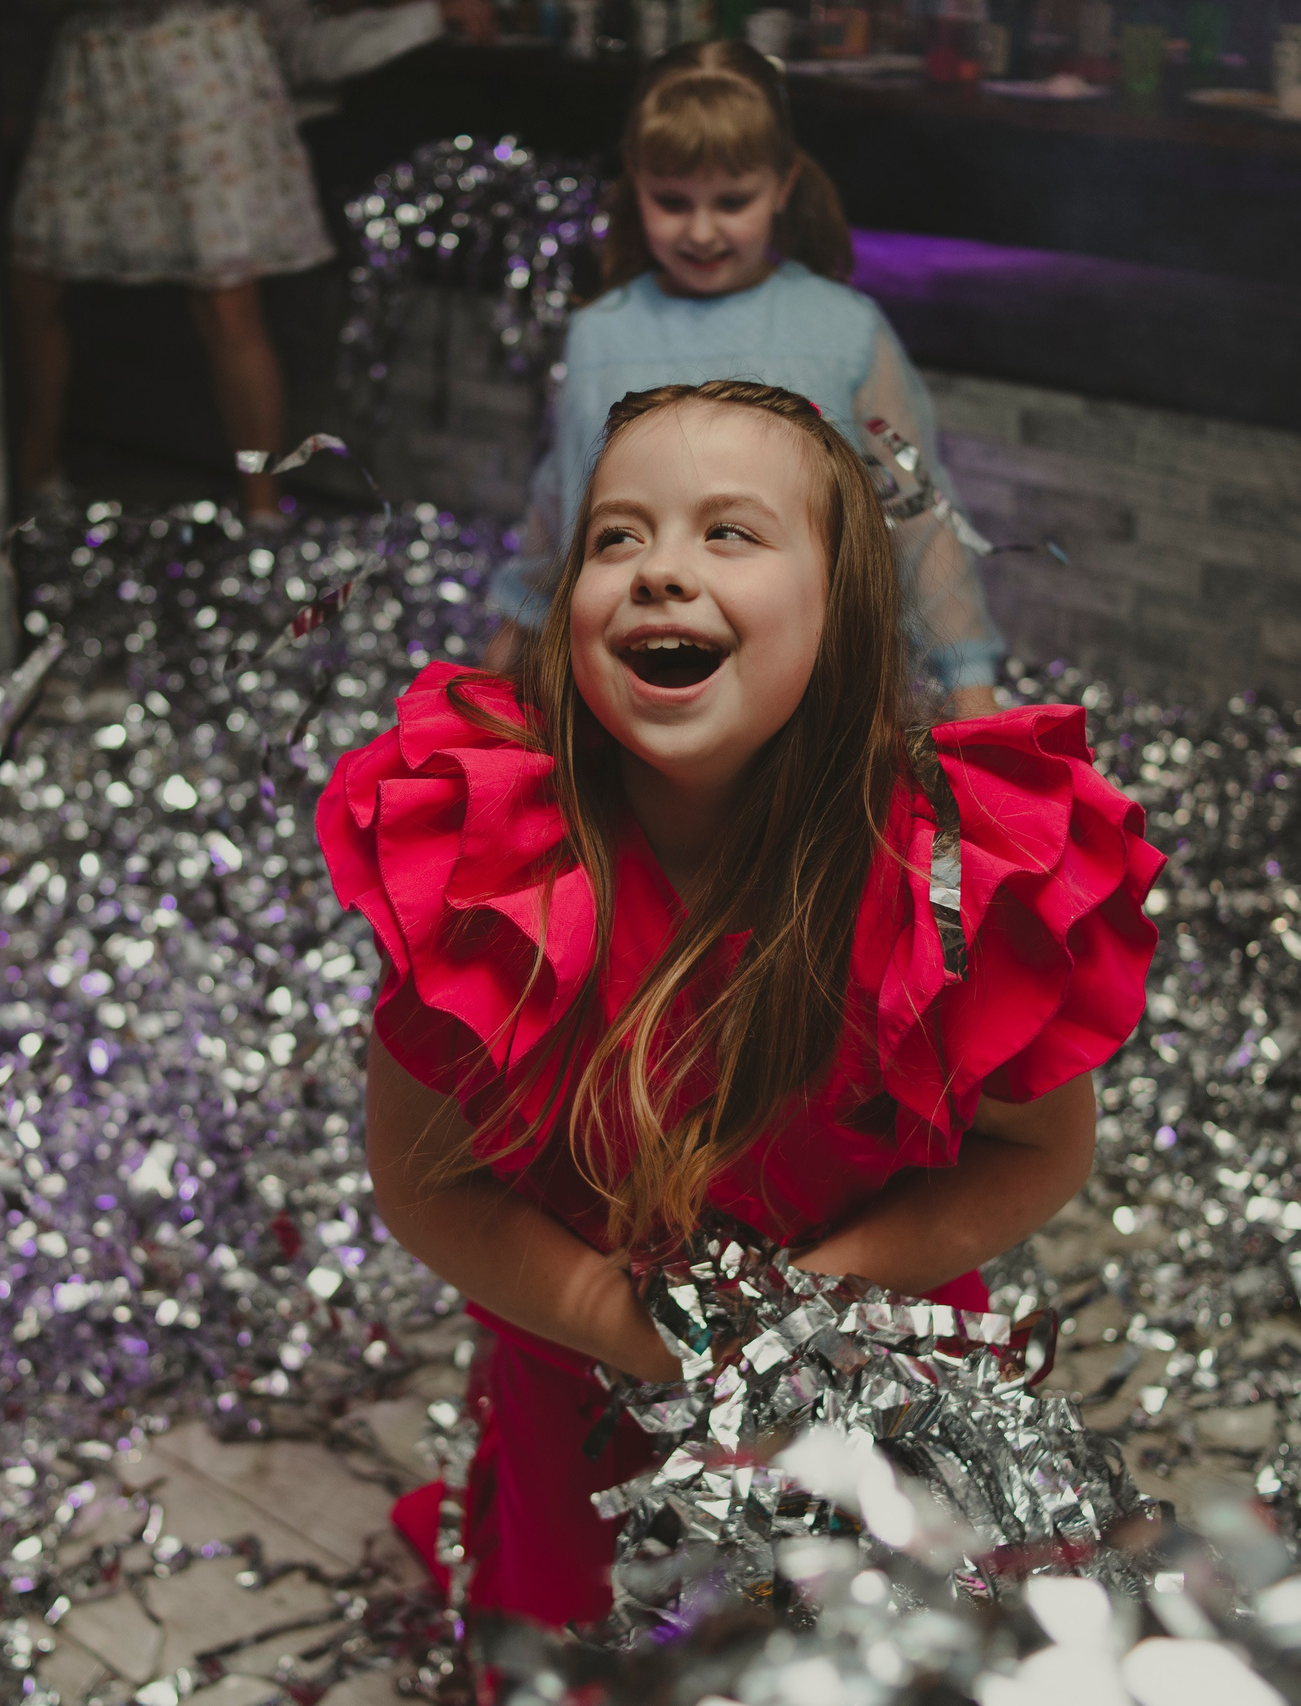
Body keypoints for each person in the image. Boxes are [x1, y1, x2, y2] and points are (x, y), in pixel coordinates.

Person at [319, 381, 1162, 1626]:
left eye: (729, 532)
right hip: (593, 1405)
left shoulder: (952, 872)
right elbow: (422, 1180)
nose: (660, 570)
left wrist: (802, 1323)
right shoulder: (488, 853)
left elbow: (1042, 1150)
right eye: (618, 535)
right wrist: (640, 1334)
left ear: (843, 607)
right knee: (604, 1645)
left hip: (875, 1400)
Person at [480, 41, 1009, 718]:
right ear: (634, 181)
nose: (701, 231)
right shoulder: (601, 331)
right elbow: (564, 505)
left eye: (732, 200)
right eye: (672, 201)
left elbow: (918, 514)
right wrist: (508, 652)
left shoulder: (843, 330)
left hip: (808, 703)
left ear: (782, 183)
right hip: (635, 687)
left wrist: (972, 689)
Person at [6, 0, 492, 515]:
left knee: (226, 300)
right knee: (32, 273)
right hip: (96, 64)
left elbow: (310, 30)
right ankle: (34, 472)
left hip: (196, 67)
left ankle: (263, 509)